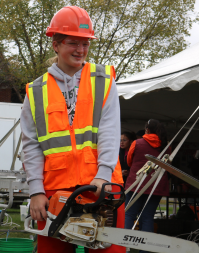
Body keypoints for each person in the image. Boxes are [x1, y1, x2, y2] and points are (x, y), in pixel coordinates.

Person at [20, 6, 125, 253]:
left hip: (102, 187)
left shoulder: (103, 80)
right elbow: (31, 145)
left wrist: (103, 175)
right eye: (73, 43)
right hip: (55, 191)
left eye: (85, 43)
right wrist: (36, 191)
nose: (80, 50)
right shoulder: (36, 91)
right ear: (56, 44)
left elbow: (110, 131)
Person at [124, 119, 170, 253]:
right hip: (156, 185)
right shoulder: (166, 146)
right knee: (147, 216)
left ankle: (124, 246)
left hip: (136, 183)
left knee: (129, 214)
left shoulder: (137, 143)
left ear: (147, 130)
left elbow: (129, 161)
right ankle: (145, 250)